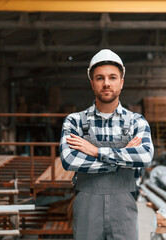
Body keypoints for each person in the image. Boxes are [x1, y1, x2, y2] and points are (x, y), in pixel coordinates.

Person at [59, 49, 154, 240]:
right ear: (92, 83)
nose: (106, 83)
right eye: (100, 78)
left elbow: (144, 157)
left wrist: (95, 151)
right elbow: (70, 161)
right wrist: (123, 157)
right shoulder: (74, 121)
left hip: (124, 210)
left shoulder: (137, 121)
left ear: (121, 82)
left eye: (112, 77)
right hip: (87, 209)